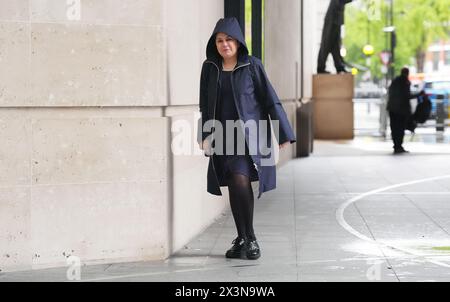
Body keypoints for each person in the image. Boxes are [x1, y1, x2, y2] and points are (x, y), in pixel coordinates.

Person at [197, 18, 296, 260]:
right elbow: (204, 104)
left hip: (247, 135)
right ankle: (241, 237)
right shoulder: (209, 67)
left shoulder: (252, 66)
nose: (224, 44)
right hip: (222, 135)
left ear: (239, 42)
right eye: (220, 41)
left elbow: (270, 99)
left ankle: (250, 238)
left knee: (240, 179)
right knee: (233, 183)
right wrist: (203, 135)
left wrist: (283, 132)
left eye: (229, 39)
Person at [386, 67, 424, 154]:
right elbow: (406, 96)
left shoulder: (395, 80)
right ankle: (398, 146)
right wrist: (418, 94)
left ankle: (396, 145)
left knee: (394, 127)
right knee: (400, 128)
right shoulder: (405, 82)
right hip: (400, 110)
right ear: (407, 73)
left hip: (392, 109)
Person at [317, 0, 352, 74]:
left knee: (336, 45)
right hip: (332, 20)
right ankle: (321, 67)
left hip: (336, 20)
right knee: (326, 44)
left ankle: (339, 66)